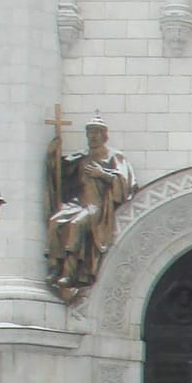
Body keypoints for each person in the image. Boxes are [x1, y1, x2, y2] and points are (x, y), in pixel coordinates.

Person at [45, 118, 137, 301]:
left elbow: (125, 181)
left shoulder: (113, 156)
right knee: (56, 221)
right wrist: (54, 152)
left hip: (97, 206)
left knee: (78, 224)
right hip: (78, 203)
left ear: (104, 136)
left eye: (97, 133)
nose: (93, 137)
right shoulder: (82, 157)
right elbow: (61, 172)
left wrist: (102, 174)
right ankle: (55, 266)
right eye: (90, 133)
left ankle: (69, 274)